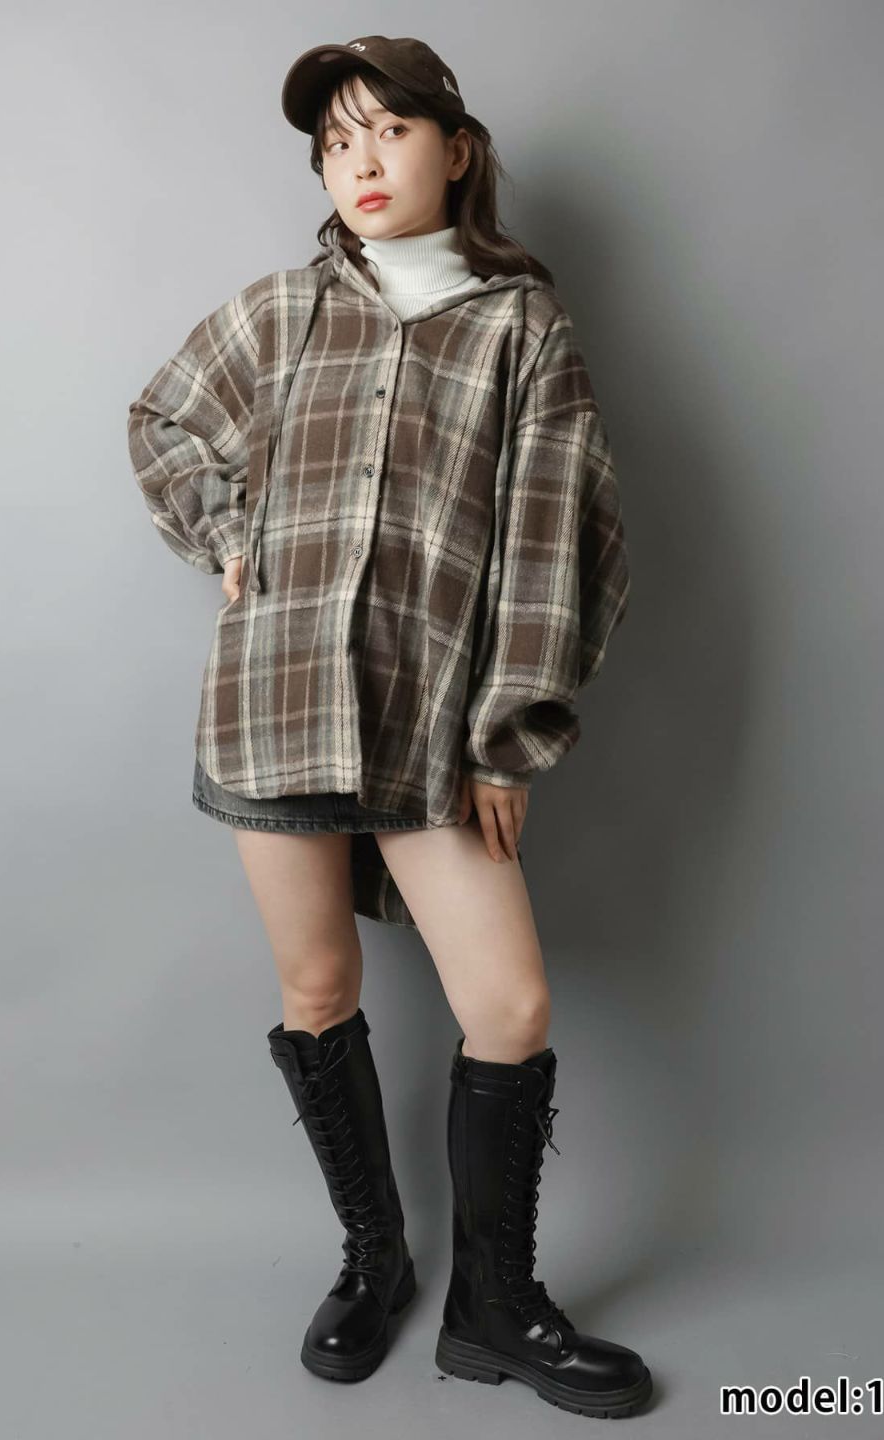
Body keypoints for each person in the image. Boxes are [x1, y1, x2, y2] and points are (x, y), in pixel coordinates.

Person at [126, 34, 653, 1421]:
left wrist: (507, 733)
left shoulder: (522, 328)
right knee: (317, 991)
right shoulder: (281, 312)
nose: (359, 161)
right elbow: (165, 421)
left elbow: (559, 541)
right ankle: (376, 1260)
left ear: (456, 149)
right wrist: (229, 536)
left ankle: (495, 1306)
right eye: (334, 142)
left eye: (390, 130)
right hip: (278, 700)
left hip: (430, 720)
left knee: (510, 1006)